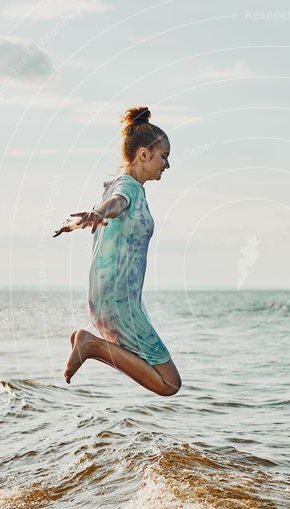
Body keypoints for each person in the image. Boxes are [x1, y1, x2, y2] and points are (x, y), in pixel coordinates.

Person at [53, 106, 181, 396]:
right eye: (164, 157)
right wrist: (99, 212)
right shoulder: (127, 188)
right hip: (118, 300)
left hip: (115, 299)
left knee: (161, 376)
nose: (167, 165)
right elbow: (117, 204)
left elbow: (112, 207)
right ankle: (91, 345)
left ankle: (91, 346)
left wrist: (91, 216)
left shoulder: (121, 186)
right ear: (144, 154)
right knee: (169, 383)